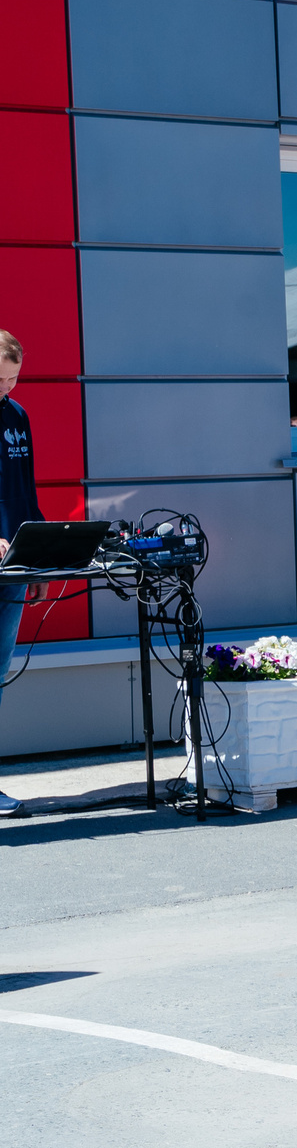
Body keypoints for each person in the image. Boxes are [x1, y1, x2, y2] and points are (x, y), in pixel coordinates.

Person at [0, 331, 32, 817]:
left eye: (13, 378)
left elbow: (25, 490)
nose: (6, 387)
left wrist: (39, 550)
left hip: (15, 567)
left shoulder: (17, 415)